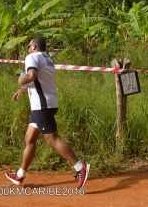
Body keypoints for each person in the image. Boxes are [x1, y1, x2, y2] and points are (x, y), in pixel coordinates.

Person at [5, 36, 89, 190]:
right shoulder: (47, 59)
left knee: (52, 139)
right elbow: (40, 81)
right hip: (46, 103)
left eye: (29, 45)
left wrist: (20, 80)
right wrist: (22, 90)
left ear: (35, 46)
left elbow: (31, 76)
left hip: (41, 106)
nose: (28, 48)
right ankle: (20, 175)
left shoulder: (32, 57)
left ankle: (80, 167)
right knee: (30, 139)